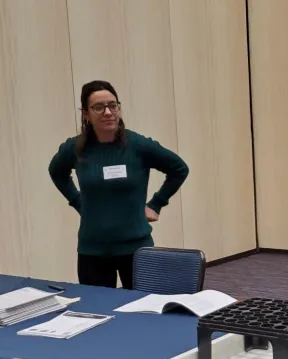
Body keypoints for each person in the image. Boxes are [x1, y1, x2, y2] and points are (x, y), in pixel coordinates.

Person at [49, 80, 189, 289]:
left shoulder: (138, 145)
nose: (108, 112)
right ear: (86, 114)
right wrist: (78, 203)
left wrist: (157, 203)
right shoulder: (75, 148)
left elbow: (179, 168)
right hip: (92, 249)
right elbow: (57, 172)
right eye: (99, 107)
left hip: (136, 249)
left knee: (143, 312)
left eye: (113, 105)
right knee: (97, 310)